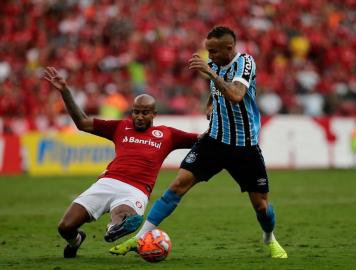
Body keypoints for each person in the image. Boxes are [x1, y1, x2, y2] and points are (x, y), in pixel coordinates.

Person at [110, 26, 288, 258]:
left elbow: (235, 95)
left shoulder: (245, 62)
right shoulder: (213, 65)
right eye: (208, 51)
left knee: (261, 206)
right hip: (213, 141)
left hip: (244, 147)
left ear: (229, 48)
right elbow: (216, 91)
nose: (210, 56)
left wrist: (211, 73)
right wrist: (210, 105)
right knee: (177, 186)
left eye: (213, 51)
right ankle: (139, 238)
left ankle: (269, 237)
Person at [43, 67, 199, 258]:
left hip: (136, 190)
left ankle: (115, 227)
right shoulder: (121, 126)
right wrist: (64, 90)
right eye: (136, 112)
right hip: (107, 182)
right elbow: (83, 123)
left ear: (154, 114)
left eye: (145, 113)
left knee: (123, 215)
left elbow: (201, 139)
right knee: (65, 227)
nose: (139, 117)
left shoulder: (168, 135)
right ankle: (76, 240)